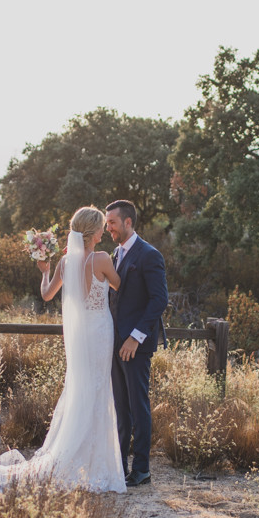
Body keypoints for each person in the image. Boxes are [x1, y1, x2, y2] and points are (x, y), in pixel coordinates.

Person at [0, 206, 127, 494]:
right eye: (102, 227)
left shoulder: (65, 263)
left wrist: (45, 271)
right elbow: (120, 286)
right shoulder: (102, 259)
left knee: (81, 388)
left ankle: (80, 454)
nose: (104, 231)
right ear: (94, 232)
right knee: (99, 389)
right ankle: (95, 461)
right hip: (101, 333)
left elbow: (46, 294)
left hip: (80, 338)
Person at [104, 200, 168, 487]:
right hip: (114, 343)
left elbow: (159, 300)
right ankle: (120, 466)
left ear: (127, 222)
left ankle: (141, 469)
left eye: (112, 223)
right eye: (107, 223)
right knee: (121, 407)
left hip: (136, 345)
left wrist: (135, 337)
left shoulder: (149, 255)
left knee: (138, 405)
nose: (108, 228)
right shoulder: (115, 254)